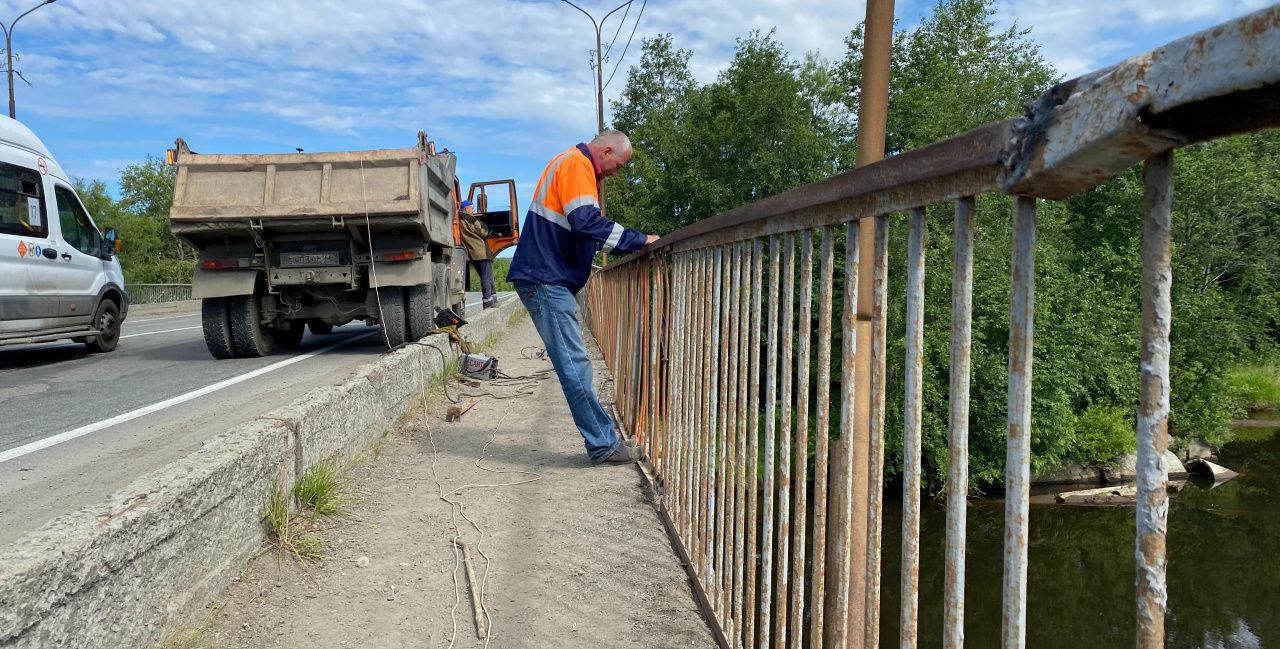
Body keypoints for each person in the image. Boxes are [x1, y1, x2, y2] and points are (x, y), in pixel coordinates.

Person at [508, 130, 659, 464]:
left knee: (575, 364)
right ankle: (603, 445)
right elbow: (586, 222)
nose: (614, 174)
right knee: (575, 366)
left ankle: (602, 440)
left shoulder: (570, 163)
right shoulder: (577, 165)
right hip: (546, 279)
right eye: (616, 166)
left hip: (545, 277)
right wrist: (639, 240)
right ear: (605, 152)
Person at [458, 200, 498, 308]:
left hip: (471, 253)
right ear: (466, 209)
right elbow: (483, 232)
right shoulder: (471, 219)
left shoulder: (459, 218)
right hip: (481, 251)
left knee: (485, 275)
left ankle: (492, 298)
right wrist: (484, 224)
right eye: (472, 207)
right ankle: (488, 301)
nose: (474, 210)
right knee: (486, 276)